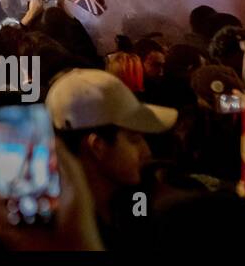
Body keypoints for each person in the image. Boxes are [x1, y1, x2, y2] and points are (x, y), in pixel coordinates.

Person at [45, 68, 177, 247]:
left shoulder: (142, 202)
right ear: (97, 146)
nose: (146, 151)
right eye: (134, 139)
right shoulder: (56, 231)